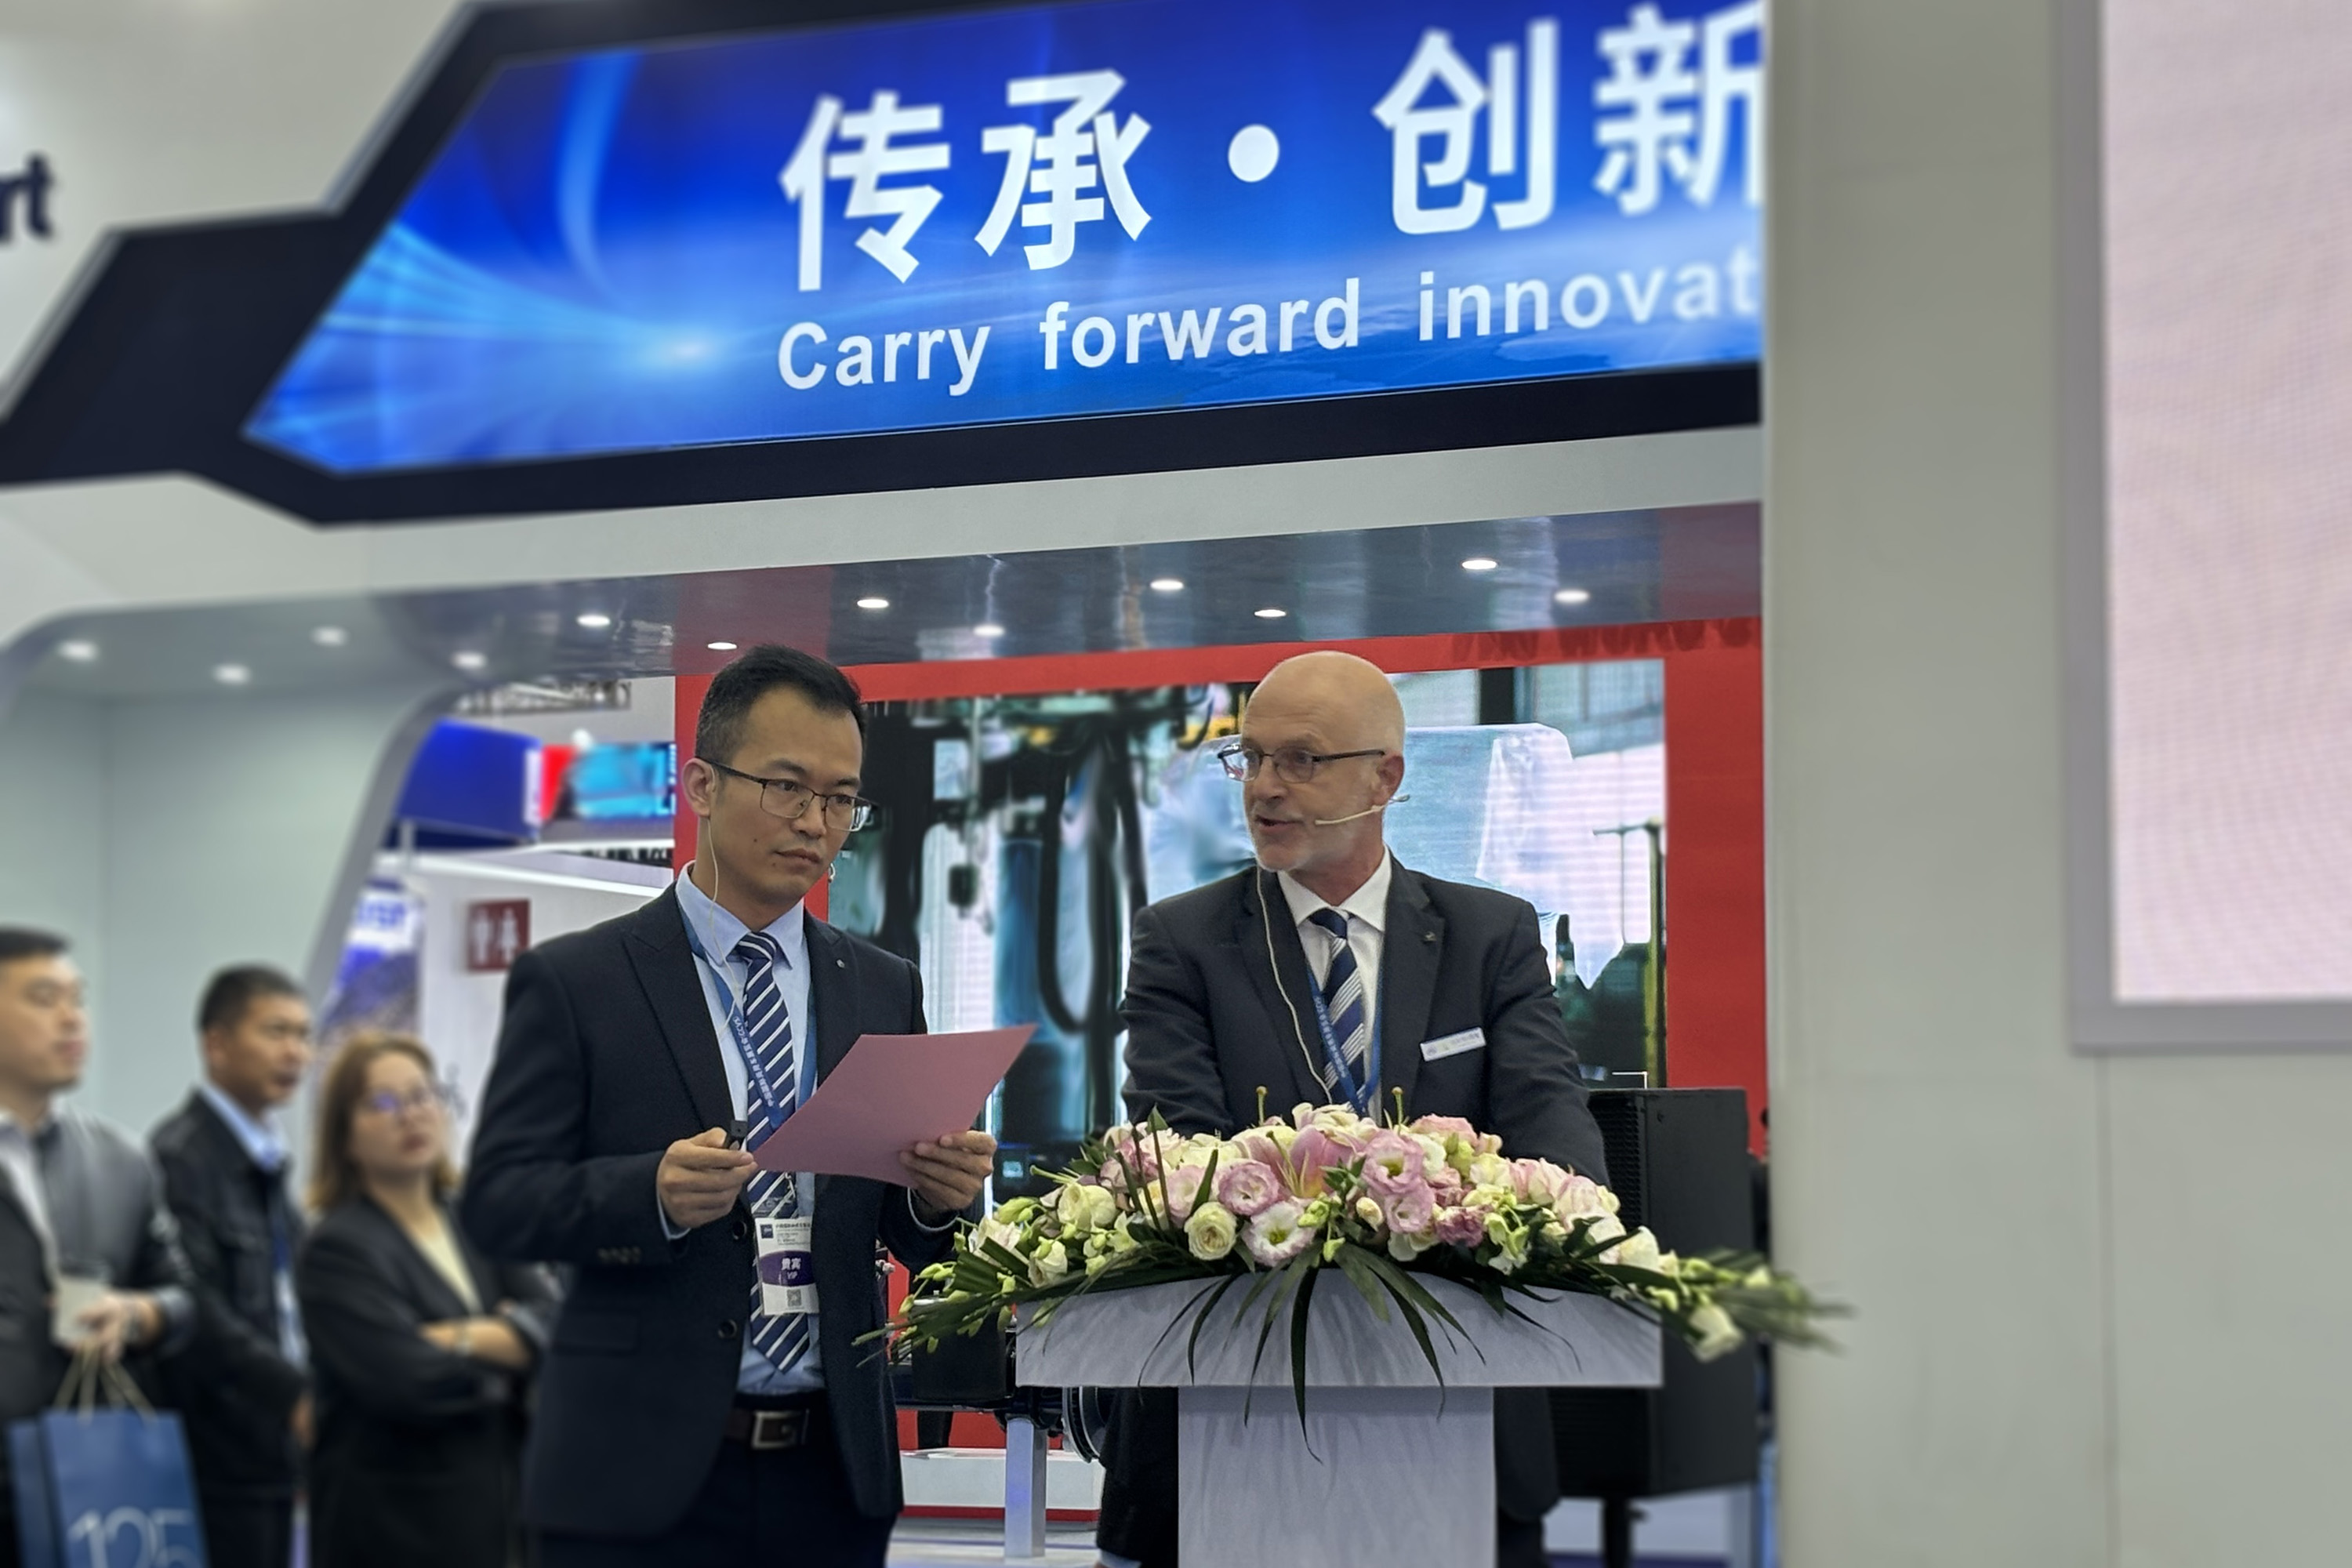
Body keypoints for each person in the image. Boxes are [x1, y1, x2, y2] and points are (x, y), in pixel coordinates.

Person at [463, 644, 997, 1567]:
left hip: (831, 1471)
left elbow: (912, 1234)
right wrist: (650, 1194)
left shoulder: (881, 985)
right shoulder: (580, 980)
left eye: (841, 798)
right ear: (702, 784)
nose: (815, 822)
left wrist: (935, 1196)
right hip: (634, 1472)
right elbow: (500, 1202)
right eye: (786, 787)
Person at [1095, 652, 1612, 1568]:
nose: (1264, 786)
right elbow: (1184, 1160)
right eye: (1249, 757)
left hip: (1463, 1421)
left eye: (1300, 759)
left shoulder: (1490, 935)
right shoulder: (1183, 939)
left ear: (1386, 776)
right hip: (1233, 1426)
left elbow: (1557, 1145)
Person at [296, 1033, 557, 1568]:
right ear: (344, 1136)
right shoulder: (336, 1248)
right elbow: (406, 1380)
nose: (410, 1115)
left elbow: (557, 1322)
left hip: (502, 1515)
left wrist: (459, 1338)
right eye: (383, 1103)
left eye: (421, 1095)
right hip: (394, 1529)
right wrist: (516, 1357)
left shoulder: (477, 1219)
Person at [0, 929, 198, 1566]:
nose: (72, 1018)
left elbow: (184, 1294)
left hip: (84, 1487)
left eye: (77, 999)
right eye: (44, 999)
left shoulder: (119, 1158)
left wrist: (138, 1314)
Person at [151, 964, 314, 1568]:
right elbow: (197, 1306)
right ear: (216, 1044)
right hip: (220, 1453)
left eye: (303, 1034)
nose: (295, 1052)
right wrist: (291, 1392)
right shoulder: (182, 1157)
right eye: (275, 1032)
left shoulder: (268, 1157)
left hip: (275, 1447)